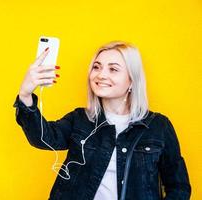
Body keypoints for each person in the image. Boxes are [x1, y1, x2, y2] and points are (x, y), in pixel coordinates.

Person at [13, 41, 191, 200]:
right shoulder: (80, 119)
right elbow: (43, 138)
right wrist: (25, 94)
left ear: (132, 80)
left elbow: (179, 187)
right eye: (97, 67)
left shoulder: (158, 126)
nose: (101, 75)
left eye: (113, 69)